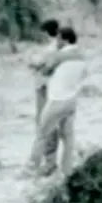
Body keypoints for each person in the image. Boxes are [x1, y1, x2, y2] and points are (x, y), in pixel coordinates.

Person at [27, 26, 86, 177]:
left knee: (41, 134)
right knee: (68, 138)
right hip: (72, 100)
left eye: (59, 38)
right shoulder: (81, 54)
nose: (57, 41)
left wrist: (34, 65)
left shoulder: (59, 56)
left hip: (57, 100)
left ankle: (32, 167)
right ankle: (67, 170)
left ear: (65, 40)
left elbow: (45, 70)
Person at [29, 18, 61, 173]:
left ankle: (45, 163)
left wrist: (34, 64)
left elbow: (44, 67)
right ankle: (50, 161)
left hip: (45, 89)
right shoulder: (62, 47)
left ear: (46, 33)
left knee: (44, 126)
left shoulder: (50, 50)